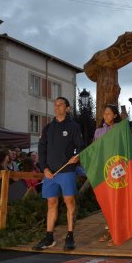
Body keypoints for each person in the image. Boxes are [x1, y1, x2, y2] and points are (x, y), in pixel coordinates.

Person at [32, 97, 84, 251]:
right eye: (55, 105)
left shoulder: (74, 127)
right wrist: (44, 168)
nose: (57, 107)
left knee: (69, 202)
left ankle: (70, 236)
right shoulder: (48, 128)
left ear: (67, 108)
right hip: (50, 173)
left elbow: (81, 146)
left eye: (60, 105)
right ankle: (49, 238)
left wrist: (78, 155)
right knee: (51, 203)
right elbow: (41, 150)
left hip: (67, 170)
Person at [94, 104, 122, 246]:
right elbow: (95, 150)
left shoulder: (119, 129)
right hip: (103, 170)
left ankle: (118, 231)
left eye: (109, 113)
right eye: (104, 113)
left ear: (115, 115)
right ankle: (110, 229)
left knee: (117, 200)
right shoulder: (98, 131)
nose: (106, 116)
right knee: (107, 202)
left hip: (117, 169)